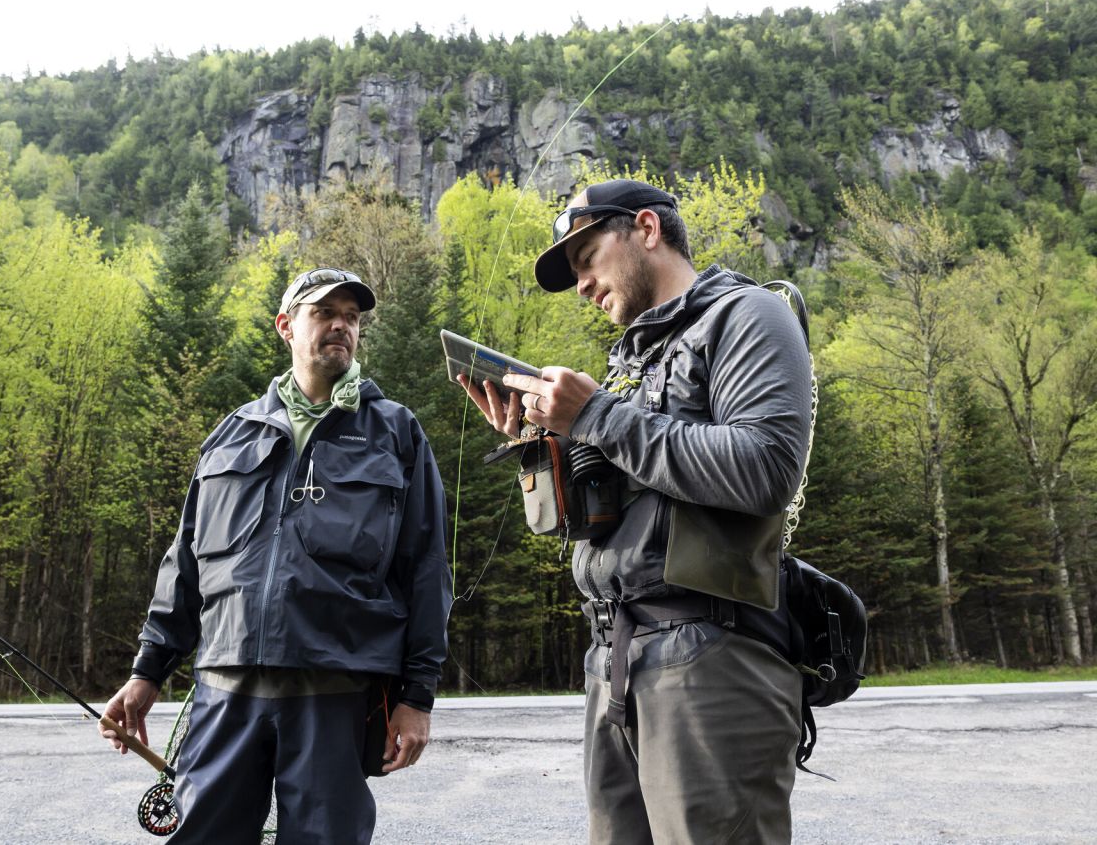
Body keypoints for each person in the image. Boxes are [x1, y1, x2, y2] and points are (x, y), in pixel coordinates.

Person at [461, 179, 812, 844]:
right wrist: (543, 449)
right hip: (613, 661)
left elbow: (765, 469)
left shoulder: (750, 315)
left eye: (588, 256)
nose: (583, 284)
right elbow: (618, 514)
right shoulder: (625, 368)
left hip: (711, 659)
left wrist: (594, 415)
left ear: (646, 229)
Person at [102, 267, 452, 844]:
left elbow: (427, 570)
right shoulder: (233, 432)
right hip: (224, 688)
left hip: (335, 691)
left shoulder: (396, 432)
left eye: (353, 317)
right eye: (324, 313)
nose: (341, 325)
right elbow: (185, 562)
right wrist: (147, 672)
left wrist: (417, 697)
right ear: (287, 326)